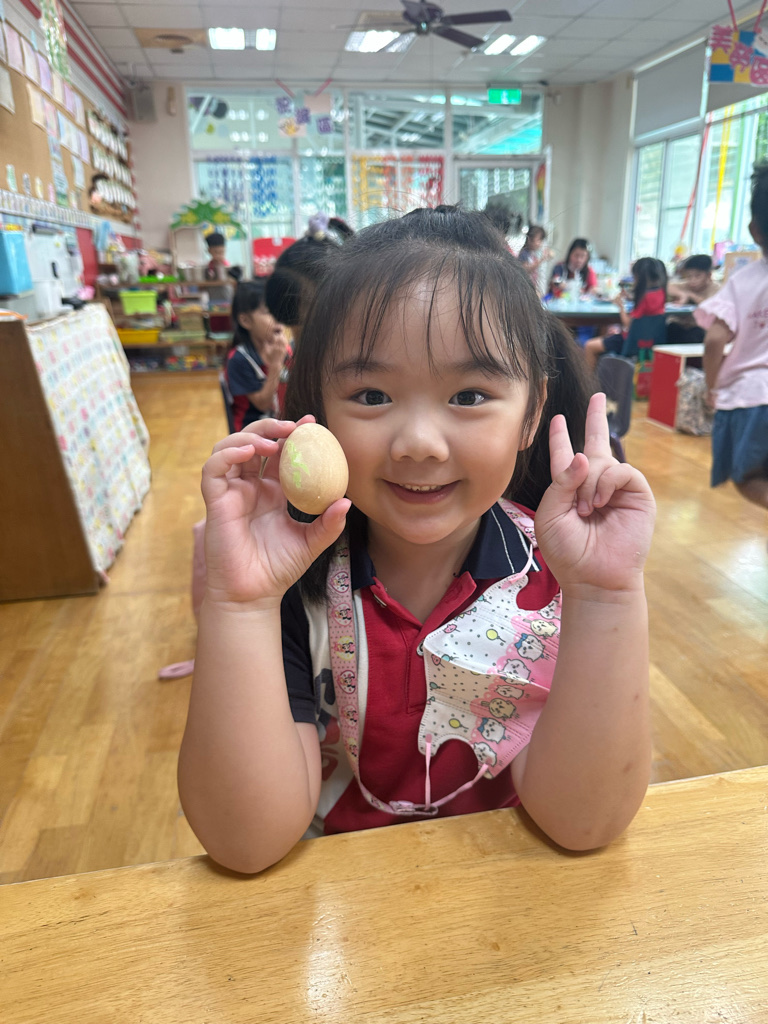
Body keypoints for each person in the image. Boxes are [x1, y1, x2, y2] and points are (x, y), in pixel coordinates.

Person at [179, 207, 656, 875]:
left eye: (470, 395)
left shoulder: (560, 579)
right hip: (339, 901)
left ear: (531, 414)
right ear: (318, 409)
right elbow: (244, 844)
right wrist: (240, 604)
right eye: (373, 395)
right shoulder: (292, 582)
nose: (420, 444)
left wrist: (607, 596)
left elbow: (584, 823)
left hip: (507, 891)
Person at [695, 164, 768, 511]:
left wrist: (712, 386)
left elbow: (714, 340)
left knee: (749, 478)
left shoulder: (744, 281)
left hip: (749, 398)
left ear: (755, 229)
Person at [224, 279, 289, 430]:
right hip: (252, 431)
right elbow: (263, 404)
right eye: (268, 312)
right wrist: (276, 365)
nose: (278, 317)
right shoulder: (239, 359)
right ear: (246, 321)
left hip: (280, 423)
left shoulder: (284, 349)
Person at [583, 257, 667, 373]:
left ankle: (588, 382)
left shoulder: (644, 298)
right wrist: (630, 297)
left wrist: (620, 307)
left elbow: (628, 324)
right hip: (649, 344)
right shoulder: (661, 293)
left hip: (631, 342)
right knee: (606, 336)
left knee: (590, 346)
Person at [666, 254, 720, 346]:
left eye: (697, 276)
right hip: (678, 326)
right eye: (689, 276)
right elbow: (666, 286)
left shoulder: (716, 288)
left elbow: (708, 305)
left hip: (699, 329)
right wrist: (681, 294)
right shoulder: (684, 285)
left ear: (709, 275)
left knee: (696, 333)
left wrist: (691, 295)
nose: (692, 280)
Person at [517, 225, 551, 292]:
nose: (540, 243)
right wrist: (542, 259)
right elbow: (527, 269)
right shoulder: (524, 253)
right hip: (524, 288)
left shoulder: (533, 253)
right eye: (538, 240)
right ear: (530, 239)